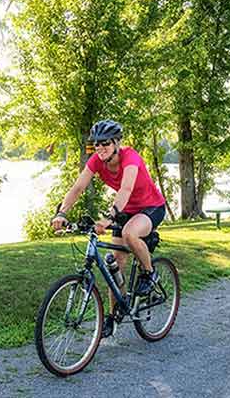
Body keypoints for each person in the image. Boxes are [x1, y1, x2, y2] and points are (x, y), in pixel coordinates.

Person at [50, 119, 166, 337]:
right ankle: (114, 315)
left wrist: (108, 217)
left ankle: (150, 275)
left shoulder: (130, 157)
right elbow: (77, 188)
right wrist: (61, 213)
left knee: (130, 233)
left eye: (105, 143)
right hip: (125, 211)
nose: (100, 148)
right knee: (115, 265)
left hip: (151, 207)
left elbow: (126, 188)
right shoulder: (96, 161)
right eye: (96, 144)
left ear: (116, 143)